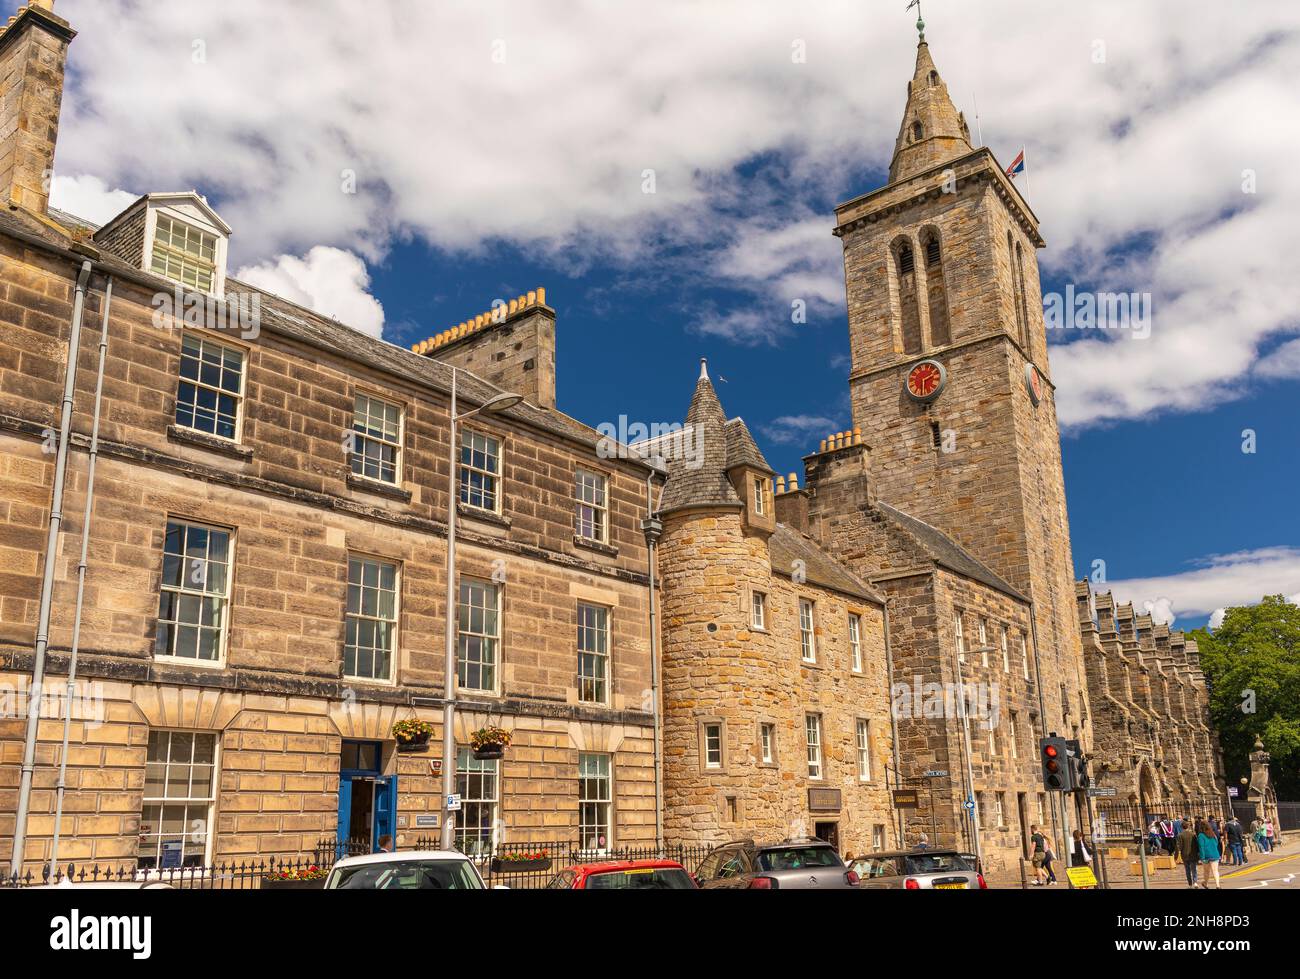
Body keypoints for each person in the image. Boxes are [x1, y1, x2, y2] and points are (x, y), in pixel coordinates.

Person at [1197, 820, 1222, 889]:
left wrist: (1202, 857)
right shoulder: (1212, 834)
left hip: (1206, 856)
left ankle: (1206, 883)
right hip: (1215, 854)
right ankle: (1217, 885)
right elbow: (1216, 843)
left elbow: (1201, 847)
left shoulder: (1200, 835)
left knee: (1206, 871)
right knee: (1215, 871)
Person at [1176, 820, 1199, 888]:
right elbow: (1196, 845)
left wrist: (1176, 855)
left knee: (1187, 870)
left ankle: (1190, 884)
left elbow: (1178, 846)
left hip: (1185, 855)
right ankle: (1195, 882)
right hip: (1193, 854)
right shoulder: (1193, 834)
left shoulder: (1180, 835)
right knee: (1194, 869)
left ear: (1182, 827)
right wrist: (1198, 853)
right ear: (1188, 826)